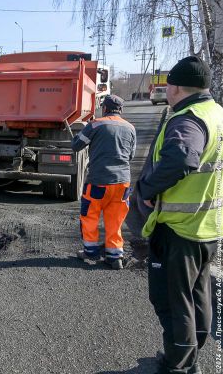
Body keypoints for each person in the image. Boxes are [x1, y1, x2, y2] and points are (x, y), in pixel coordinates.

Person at [136, 56, 222, 374]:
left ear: (174, 87)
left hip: (180, 228)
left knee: (172, 301)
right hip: (208, 226)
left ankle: (179, 364)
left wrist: (146, 189)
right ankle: (192, 358)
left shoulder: (188, 119)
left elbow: (182, 158)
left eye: (168, 84)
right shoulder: (216, 113)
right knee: (198, 295)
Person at [72, 95, 137, 270]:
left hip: (99, 181)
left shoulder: (96, 124)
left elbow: (77, 145)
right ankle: (115, 257)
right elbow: (130, 155)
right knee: (115, 220)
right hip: (123, 182)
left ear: (105, 108)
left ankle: (91, 251)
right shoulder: (130, 128)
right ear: (121, 110)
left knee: (90, 215)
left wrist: (79, 132)